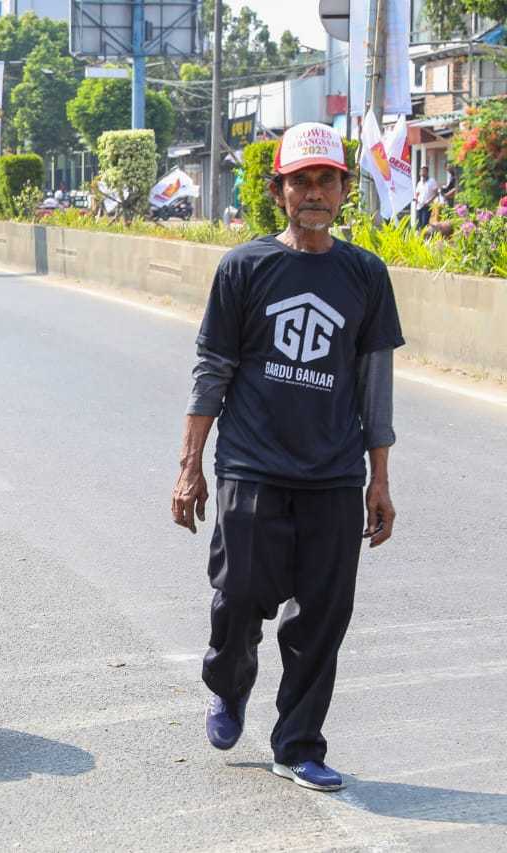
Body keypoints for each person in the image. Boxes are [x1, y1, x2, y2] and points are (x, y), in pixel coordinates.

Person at [171, 123, 404, 792]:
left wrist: (379, 479)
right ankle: (229, 680)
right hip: (250, 464)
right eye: (299, 180)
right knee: (239, 594)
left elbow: (374, 386)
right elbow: (212, 368)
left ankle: (298, 742)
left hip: (333, 472)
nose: (313, 192)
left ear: (343, 192)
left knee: (324, 615)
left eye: (325, 179)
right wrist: (191, 465)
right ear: (279, 191)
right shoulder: (244, 267)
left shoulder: (364, 273)